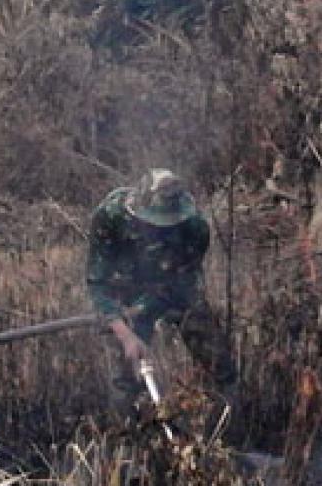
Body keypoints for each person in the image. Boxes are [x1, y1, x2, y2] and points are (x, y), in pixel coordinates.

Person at [86, 168, 237, 418]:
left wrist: (160, 305)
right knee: (126, 374)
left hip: (174, 288)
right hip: (127, 292)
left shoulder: (195, 228)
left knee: (218, 360)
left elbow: (187, 278)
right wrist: (125, 334)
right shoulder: (110, 218)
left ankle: (225, 430)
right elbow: (98, 283)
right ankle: (127, 441)